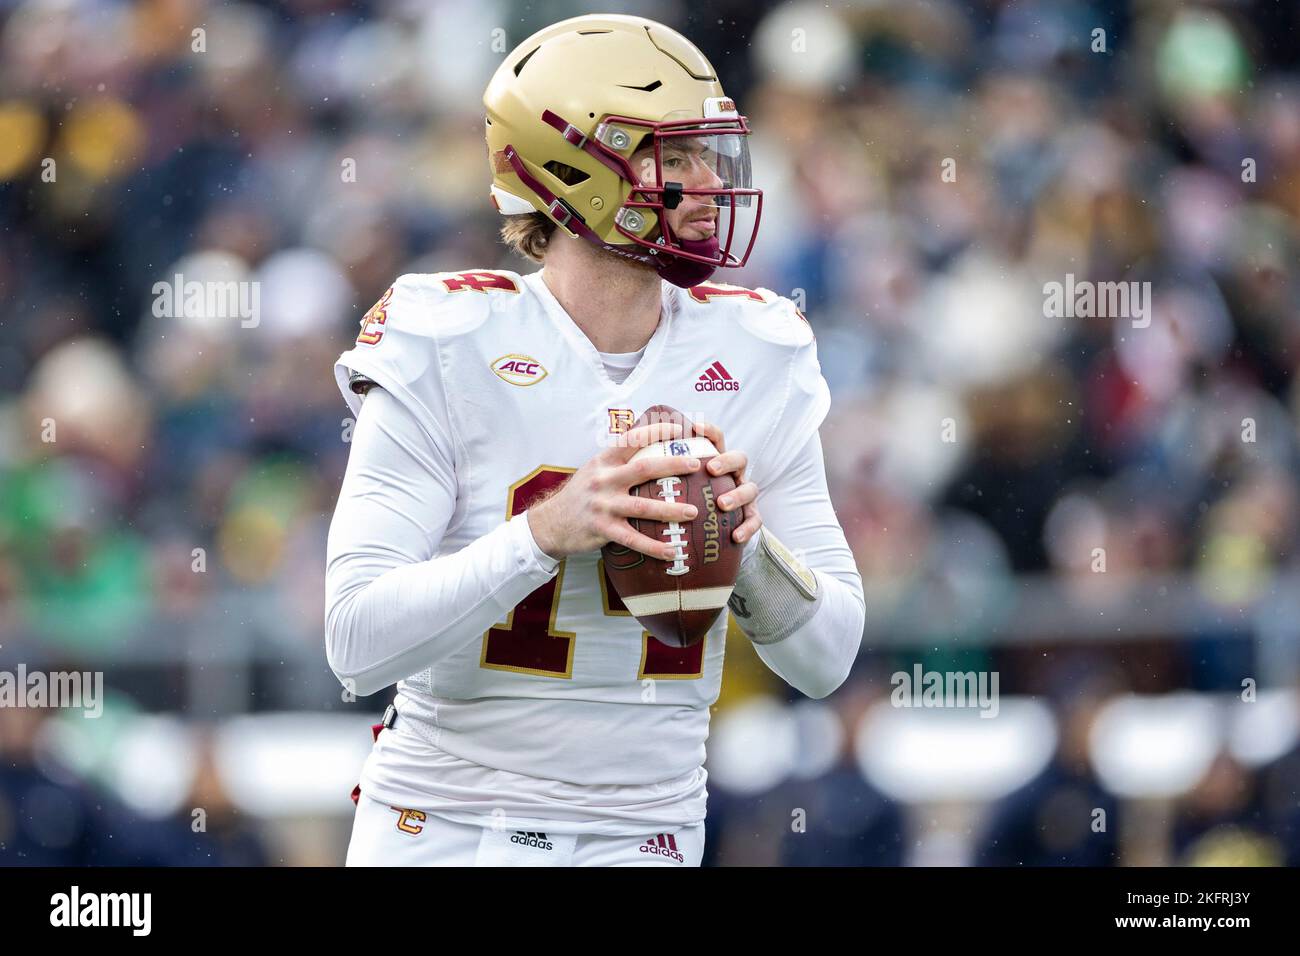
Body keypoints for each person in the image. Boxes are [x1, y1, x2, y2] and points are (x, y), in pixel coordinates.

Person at [326, 13, 864, 867]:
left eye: (708, 152)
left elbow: (828, 657)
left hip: (647, 835)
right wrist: (545, 533)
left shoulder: (759, 350)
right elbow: (354, 640)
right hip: (450, 827)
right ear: (573, 166)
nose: (707, 182)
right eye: (675, 155)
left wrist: (745, 548)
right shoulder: (448, 337)